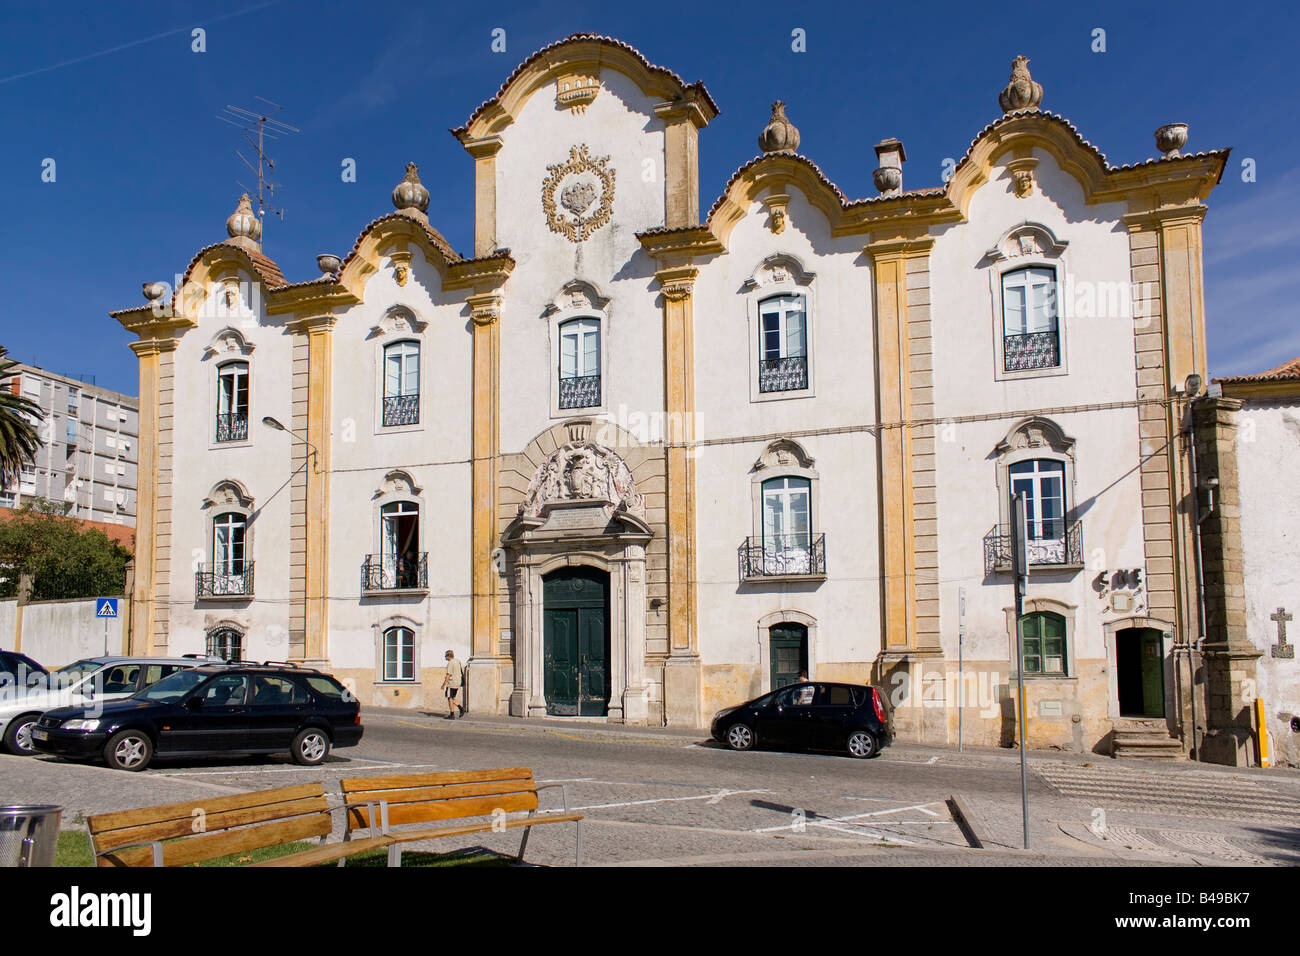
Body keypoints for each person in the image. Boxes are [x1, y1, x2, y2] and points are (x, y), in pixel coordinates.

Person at [442, 649, 464, 719]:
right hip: (458, 682)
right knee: (451, 698)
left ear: (448, 656)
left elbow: (449, 674)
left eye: (446, 656)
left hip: (452, 682)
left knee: (450, 698)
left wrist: (443, 684)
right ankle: (457, 710)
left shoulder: (451, 663)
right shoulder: (457, 661)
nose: (445, 657)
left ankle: (455, 712)